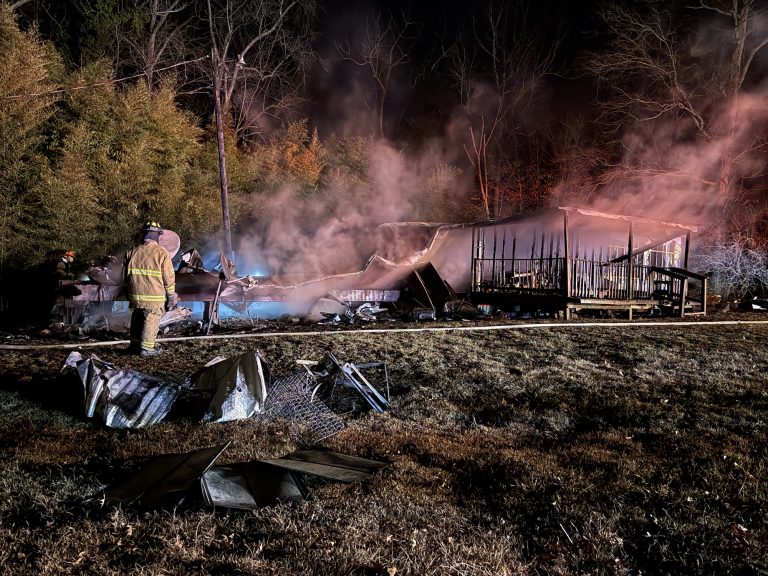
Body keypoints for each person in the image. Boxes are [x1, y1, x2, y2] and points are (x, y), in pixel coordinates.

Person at [124, 221, 177, 357]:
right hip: (154, 296)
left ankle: (134, 345)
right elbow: (169, 277)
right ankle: (147, 349)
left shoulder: (132, 251)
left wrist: (128, 292)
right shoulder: (161, 253)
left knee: (137, 317)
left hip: (135, 295)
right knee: (151, 319)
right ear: (157, 235)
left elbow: (125, 275)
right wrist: (171, 296)